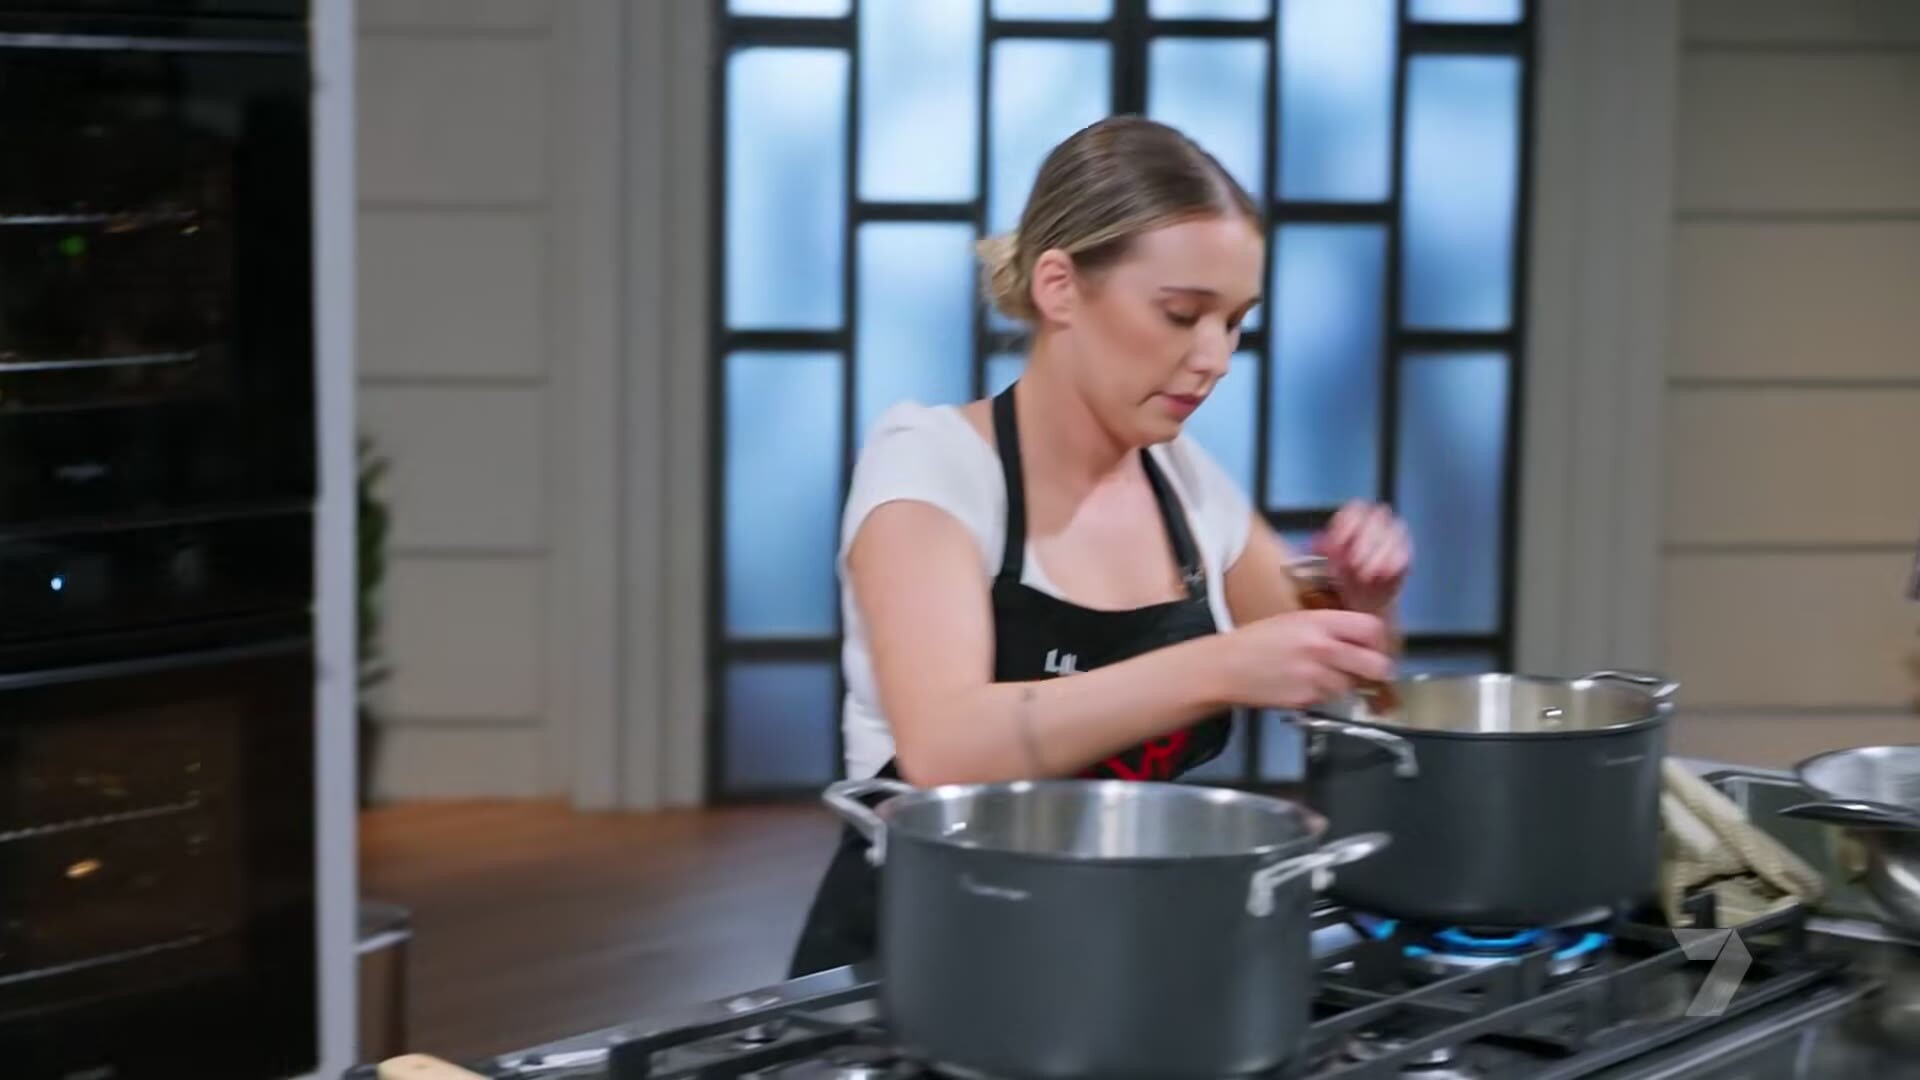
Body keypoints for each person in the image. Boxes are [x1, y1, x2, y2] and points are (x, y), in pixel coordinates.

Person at [787, 115, 1411, 978]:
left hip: (1115, 954)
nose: (1216, 358)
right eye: (1181, 314)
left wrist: (1363, 609)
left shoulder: (1185, 484)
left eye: (1234, 322)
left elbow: (1350, 685)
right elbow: (946, 748)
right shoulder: (931, 467)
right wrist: (1221, 666)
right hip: (926, 966)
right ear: (1060, 287)